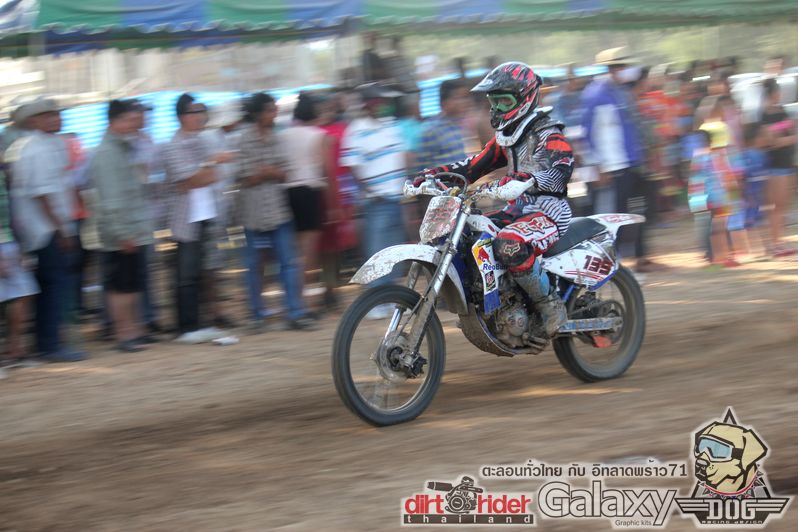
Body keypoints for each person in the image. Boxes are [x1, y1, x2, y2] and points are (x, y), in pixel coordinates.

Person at [414, 62, 574, 336]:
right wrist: (433, 174)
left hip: (549, 211)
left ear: (525, 98)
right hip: (518, 209)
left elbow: (561, 171)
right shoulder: (507, 137)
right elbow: (473, 165)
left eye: (504, 101)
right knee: (471, 233)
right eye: (493, 101)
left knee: (509, 243)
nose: (497, 108)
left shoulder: (548, 133)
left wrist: (530, 179)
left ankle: (550, 304)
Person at [6, 98, 86, 362]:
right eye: (47, 115)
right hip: (44, 227)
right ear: (33, 121)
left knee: (50, 283)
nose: (55, 118)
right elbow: (42, 194)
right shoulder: (35, 148)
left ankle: (48, 342)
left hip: (44, 226)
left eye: (56, 114)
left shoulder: (48, 145)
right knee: (54, 283)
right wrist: (61, 229)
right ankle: (50, 344)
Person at [582, 47, 665, 273]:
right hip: (612, 167)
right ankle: (610, 263)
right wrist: (597, 165)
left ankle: (640, 257)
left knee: (638, 212)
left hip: (631, 163)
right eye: (620, 66)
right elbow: (588, 132)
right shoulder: (596, 94)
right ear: (610, 69)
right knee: (613, 216)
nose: (624, 70)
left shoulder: (621, 92)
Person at [237, 92, 315, 331]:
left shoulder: (277, 137)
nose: (275, 114)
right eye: (270, 110)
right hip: (254, 213)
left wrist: (265, 172)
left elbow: (284, 172)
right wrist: (268, 173)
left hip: (278, 210)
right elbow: (244, 177)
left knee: (287, 262)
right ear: (258, 114)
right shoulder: (243, 140)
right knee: (255, 265)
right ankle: (257, 314)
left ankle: (294, 311)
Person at [161, 94, 235, 344]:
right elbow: (190, 180)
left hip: (206, 213)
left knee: (203, 271)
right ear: (182, 116)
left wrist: (204, 169)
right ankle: (186, 326)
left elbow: (210, 176)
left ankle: (201, 322)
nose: (201, 116)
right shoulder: (174, 145)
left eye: (202, 111)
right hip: (186, 218)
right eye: (196, 112)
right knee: (186, 274)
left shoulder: (201, 141)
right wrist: (210, 163)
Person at [87, 100, 154, 352]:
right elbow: (111, 199)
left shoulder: (124, 148)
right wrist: (123, 233)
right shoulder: (107, 153)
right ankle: (123, 333)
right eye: (129, 119)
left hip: (132, 227)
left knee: (131, 282)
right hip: (121, 230)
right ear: (114, 121)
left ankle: (133, 330)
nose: (134, 124)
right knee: (121, 285)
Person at [340, 83, 408, 318]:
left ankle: (389, 299)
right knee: (376, 252)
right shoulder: (356, 130)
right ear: (368, 104)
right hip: (376, 201)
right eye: (379, 102)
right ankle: (375, 301)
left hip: (396, 197)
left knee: (393, 252)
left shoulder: (391, 125)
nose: (383, 105)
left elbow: (400, 156)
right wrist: (371, 191)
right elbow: (353, 166)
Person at [280, 92, 331, 314]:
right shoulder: (318, 135)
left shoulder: (283, 135)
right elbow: (325, 169)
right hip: (309, 191)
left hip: (287, 191)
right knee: (308, 252)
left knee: (291, 252)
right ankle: (303, 301)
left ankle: (292, 298)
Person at [759, 78, 796, 257]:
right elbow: (771, 141)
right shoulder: (764, 114)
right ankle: (775, 243)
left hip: (786, 163)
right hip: (774, 165)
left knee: (783, 205)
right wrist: (788, 136)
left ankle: (780, 240)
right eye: (778, 92)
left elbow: (791, 132)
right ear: (773, 93)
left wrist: (784, 137)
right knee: (776, 206)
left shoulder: (782, 110)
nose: (780, 95)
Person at [416, 79, 469, 171]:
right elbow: (422, 168)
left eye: (465, 98)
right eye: (459, 98)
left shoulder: (455, 126)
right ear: (445, 102)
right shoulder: (430, 130)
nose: (465, 102)